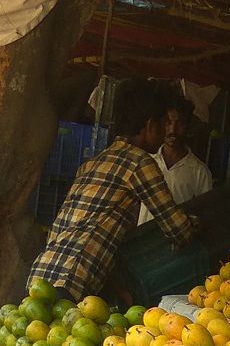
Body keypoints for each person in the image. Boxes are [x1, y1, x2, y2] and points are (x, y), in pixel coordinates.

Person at [29, 78, 198, 302]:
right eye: (162, 125)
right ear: (149, 126)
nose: (166, 132)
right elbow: (179, 230)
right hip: (71, 281)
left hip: (40, 276)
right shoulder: (139, 162)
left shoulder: (94, 162)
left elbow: (95, 233)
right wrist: (198, 222)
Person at [139, 89, 212, 221]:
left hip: (176, 240)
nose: (173, 130)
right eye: (168, 123)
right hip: (144, 239)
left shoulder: (199, 171)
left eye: (180, 124)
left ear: (188, 126)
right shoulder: (146, 160)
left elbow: (205, 214)